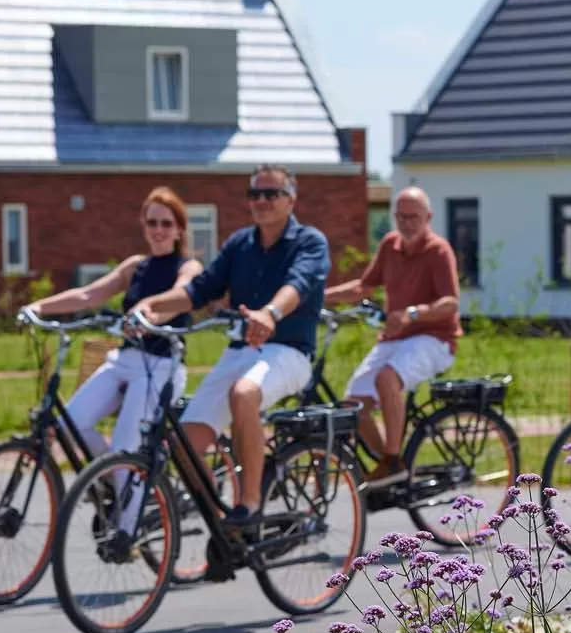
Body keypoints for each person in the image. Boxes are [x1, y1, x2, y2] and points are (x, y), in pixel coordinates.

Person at [132, 164, 328, 524]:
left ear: (291, 200)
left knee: (244, 394)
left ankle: (249, 506)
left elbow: (298, 285)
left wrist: (270, 313)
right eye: (255, 194)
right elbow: (199, 290)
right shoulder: (240, 243)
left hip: (289, 352)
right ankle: (223, 526)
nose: (262, 201)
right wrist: (150, 307)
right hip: (239, 350)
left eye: (272, 194)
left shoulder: (310, 242)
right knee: (185, 446)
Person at [22, 186, 201, 459]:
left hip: (162, 365)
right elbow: (88, 294)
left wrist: (150, 316)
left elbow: (181, 296)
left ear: (179, 230)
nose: (158, 230)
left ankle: (124, 484)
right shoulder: (135, 266)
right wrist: (39, 307)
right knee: (70, 426)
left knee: (125, 449)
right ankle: (107, 481)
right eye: (152, 222)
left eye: (167, 223)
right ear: (143, 226)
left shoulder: (187, 267)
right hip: (125, 358)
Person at [324, 186, 461, 487]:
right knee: (352, 406)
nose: (406, 223)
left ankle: (393, 460)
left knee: (386, 379)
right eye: (400, 217)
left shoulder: (438, 250)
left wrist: (414, 313)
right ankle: (388, 471)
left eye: (413, 217)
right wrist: (318, 297)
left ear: (429, 217)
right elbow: (364, 287)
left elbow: (451, 302)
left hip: (434, 337)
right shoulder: (390, 245)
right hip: (395, 338)